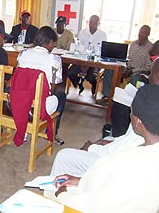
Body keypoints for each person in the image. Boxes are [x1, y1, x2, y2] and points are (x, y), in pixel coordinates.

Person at [53, 85, 159, 213]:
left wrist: (62, 195)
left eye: (131, 112)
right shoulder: (146, 154)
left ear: (137, 122)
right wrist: (81, 181)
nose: (130, 115)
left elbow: (94, 206)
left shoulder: (128, 162)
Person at [50, 58, 159, 177]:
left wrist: (91, 147)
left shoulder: (148, 110)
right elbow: (126, 142)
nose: (148, 77)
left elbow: (120, 152)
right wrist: (109, 141)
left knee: (64, 156)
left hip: (115, 164)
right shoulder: (150, 107)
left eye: (150, 73)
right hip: (120, 150)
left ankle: (58, 191)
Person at [17, 26, 66, 145]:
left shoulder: (23, 54)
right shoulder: (54, 59)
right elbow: (53, 88)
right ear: (49, 42)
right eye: (53, 44)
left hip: (18, 103)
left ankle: (22, 130)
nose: (53, 47)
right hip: (38, 107)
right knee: (61, 96)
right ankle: (52, 133)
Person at [103, 25, 153, 97]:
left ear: (148, 34)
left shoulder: (150, 47)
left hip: (140, 72)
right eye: (140, 31)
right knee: (110, 69)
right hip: (128, 67)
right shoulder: (133, 44)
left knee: (135, 78)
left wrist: (132, 71)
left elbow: (148, 67)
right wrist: (126, 68)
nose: (141, 34)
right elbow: (129, 59)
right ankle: (108, 96)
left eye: (144, 32)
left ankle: (128, 101)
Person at [67, 15, 107, 95]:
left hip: (95, 62)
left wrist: (88, 65)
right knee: (70, 73)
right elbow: (79, 48)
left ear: (98, 24)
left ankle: (94, 83)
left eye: (94, 23)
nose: (92, 25)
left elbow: (101, 52)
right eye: (90, 23)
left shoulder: (103, 35)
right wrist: (82, 63)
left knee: (91, 77)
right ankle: (79, 82)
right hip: (81, 60)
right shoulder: (83, 32)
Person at [55, 16, 74, 85]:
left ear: (65, 25)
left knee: (64, 67)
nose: (59, 27)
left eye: (61, 25)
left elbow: (68, 49)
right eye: (58, 25)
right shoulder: (52, 32)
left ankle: (61, 87)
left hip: (64, 58)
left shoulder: (69, 35)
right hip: (53, 56)